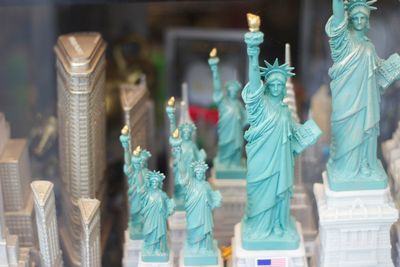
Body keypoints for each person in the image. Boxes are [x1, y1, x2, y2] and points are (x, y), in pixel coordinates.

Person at [241, 14, 320, 248]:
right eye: (272, 84)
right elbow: (254, 81)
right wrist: (252, 52)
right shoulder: (260, 103)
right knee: (258, 196)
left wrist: (308, 132)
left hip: (281, 163)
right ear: (268, 86)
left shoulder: (285, 111)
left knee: (282, 194)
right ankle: (257, 227)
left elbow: (293, 133)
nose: (275, 87)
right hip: (260, 162)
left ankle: (278, 225)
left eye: (280, 84)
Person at [326, 0, 400, 187]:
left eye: (363, 18)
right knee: (346, 137)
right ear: (349, 20)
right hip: (346, 100)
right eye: (356, 17)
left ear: (368, 21)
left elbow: (378, 71)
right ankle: (345, 168)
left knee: (368, 131)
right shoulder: (343, 41)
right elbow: (337, 17)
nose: (359, 21)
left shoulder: (369, 46)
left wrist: (394, 64)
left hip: (367, 99)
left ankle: (365, 164)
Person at [208, 48, 246, 167]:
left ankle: (235, 163)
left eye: (235, 91)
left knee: (237, 149)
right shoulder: (223, 102)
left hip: (237, 133)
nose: (233, 92)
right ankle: (226, 163)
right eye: (231, 90)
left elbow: (246, 118)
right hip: (226, 133)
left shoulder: (239, 104)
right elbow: (218, 88)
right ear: (228, 91)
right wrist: (214, 70)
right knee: (225, 149)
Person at [182, 160, 222, 254]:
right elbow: (183, 174)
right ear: (195, 174)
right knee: (194, 230)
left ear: (204, 174)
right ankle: (194, 247)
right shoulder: (191, 184)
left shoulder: (206, 185)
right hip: (193, 213)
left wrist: (217, 199)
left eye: (201, 172)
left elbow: (212, 196)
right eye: (197, 172)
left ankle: (205, 248)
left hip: (205, 214)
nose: (199, 174)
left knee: (205, 232)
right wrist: (179, 157)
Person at [140, 171, 175, 261]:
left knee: (159, 234)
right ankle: (150, 250)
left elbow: (169, 203)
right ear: (150, 183)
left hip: (159, 219)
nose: (155, 184)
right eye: (153, 182)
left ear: (159, 183)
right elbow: (141, 192)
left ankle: (158, 249)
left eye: (156, 182)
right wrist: (138, 171)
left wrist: (171, 207)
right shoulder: (147, 194)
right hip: (149, 219)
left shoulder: (162, 195)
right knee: (150, 234)